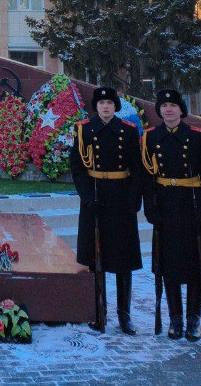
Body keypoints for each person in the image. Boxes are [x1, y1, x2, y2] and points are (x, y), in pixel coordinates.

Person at [140, 87, 201, 341]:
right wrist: (150, 207)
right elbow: (147, 177)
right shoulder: (151, 137)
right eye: (164, 106)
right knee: (169, 266)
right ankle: (175, 317)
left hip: (191, 206)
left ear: (181, 110)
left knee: (196, 265)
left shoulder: (197, 136)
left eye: (173, 106)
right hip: (165, 207)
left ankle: (193, 318)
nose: (168, 110)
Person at [69, 86, 143, 335]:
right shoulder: (84, 130)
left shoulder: (128, 131)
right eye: (101, 103)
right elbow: (77, 167)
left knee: (124, 260)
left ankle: (124, 315)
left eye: (110, 103)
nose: (105, 107)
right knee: (95, 259)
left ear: (115, 107)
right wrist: (87, 195)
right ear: (96, 107)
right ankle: (98, 311)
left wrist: (134, 198)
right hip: (95, 198)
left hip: (120, 199)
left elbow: (137, 168)